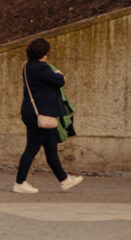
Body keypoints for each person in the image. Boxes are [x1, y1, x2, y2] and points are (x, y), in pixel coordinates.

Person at [14, 36, 83, 194]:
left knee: (51, 148)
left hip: (32, 112)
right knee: (31, 148)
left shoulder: (27, 67)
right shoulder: (42, 68)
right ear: (43, 53)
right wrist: (60, 74)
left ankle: (64, 180)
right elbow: (59, 81)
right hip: (40, 115)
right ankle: (19, 182)